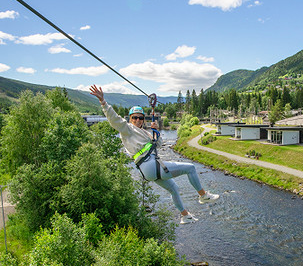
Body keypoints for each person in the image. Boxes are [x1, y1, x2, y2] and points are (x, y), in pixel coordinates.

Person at [89, 85, 218, 224]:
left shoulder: (144, 133)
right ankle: (203, 195)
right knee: (190, 168)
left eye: (140, 118)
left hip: (148, 169)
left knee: (174, 188)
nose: (138, 120)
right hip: (150, 165)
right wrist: (103, 102)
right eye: (134, 118)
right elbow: (114, 119)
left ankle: (184, 215)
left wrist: (156, 132)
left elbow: (159, 144)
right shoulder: (127, 129)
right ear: (130, 119)